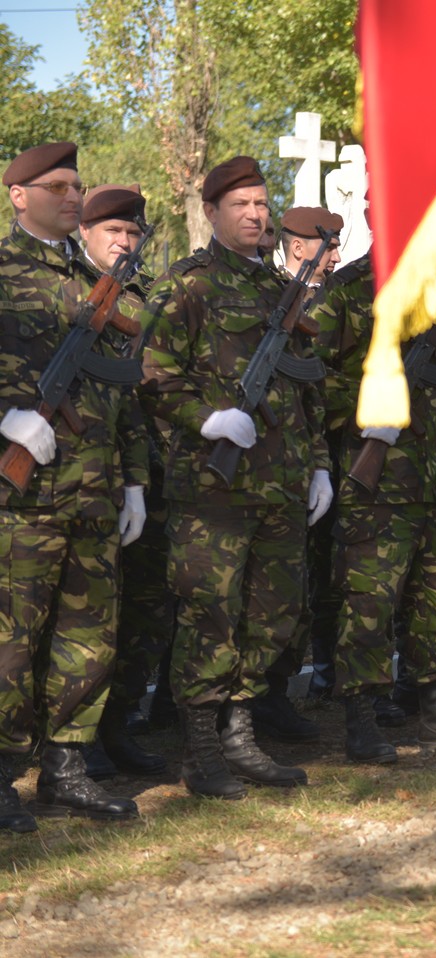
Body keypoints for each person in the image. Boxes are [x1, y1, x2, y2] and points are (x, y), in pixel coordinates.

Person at [141, 155, 332, 799]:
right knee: (210, 614)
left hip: (282, 483)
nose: (254, 214)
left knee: (273, 612)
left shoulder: (282, 288)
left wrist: (320, 465)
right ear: (212, 212)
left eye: (260, 203)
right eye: (240, 205)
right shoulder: (186, 285)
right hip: (213, 490)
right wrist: (206, 419)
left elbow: (308, 389)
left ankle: (240, 732)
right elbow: (152, 374)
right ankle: (201, 748)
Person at [0, 142, 147, 830]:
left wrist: (135, 482)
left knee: (88, 636)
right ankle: (2, 776)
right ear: (18, 195)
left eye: (75, 186)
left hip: (94, 488)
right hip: (21, 498)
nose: (71, 196)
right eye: (56, 186)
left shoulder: (98, 280)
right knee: (11, 639)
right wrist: (4, 416)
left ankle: (66, 768)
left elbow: (127, 391)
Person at [313, 252, 436, 763]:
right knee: (370, 603)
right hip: (377, 488)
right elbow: (311, 375)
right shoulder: (349, 289)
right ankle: (362, 718)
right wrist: (363, 408)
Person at [76, 184, 169, 780]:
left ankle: (118, 725)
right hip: (78, 477)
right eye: (113, 231)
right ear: (84, 232)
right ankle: (72, 737)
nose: (125, 241)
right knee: (84, 617)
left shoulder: (150, 297)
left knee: (144, 609)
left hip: (148, 472)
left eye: (133, 232)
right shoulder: (64, 291)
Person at [257, 207, 344, 739]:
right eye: (328, 246)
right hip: (279, 457)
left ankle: (313, 677)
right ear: (297, 247)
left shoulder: (339, 296)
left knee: (321, 579)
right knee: (278, 584)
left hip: (333, 454)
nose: (336, 256)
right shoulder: (272, 295)